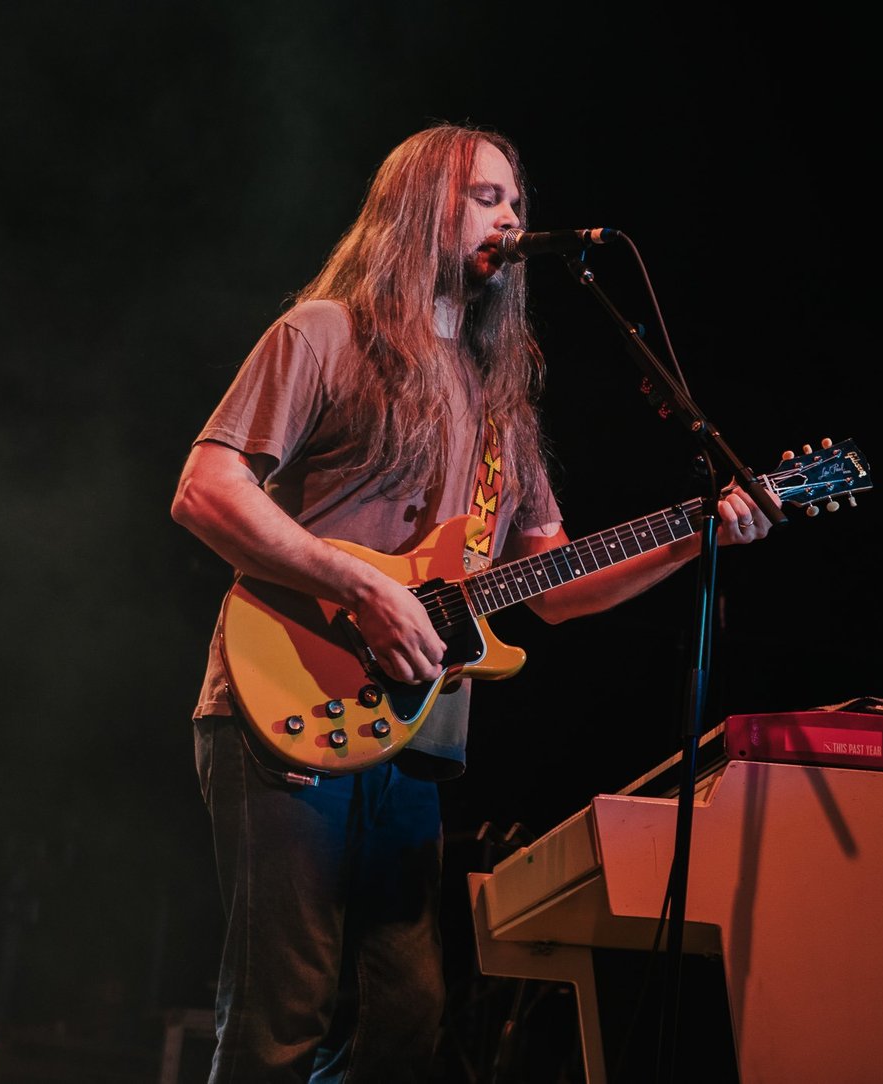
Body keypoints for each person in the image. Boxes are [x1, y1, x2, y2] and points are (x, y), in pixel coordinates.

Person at [168, 122, 774, 1083]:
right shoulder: (325, 333)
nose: (510, 217)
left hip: (411, 732)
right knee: (283, 1013)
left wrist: (695, 533)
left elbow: (555, 589)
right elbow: (206, 490)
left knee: (408, 1018)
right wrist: (361, 585)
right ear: (420, 207)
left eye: (516, 201)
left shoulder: (502, 402)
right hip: (280, 699)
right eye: (485, 197)